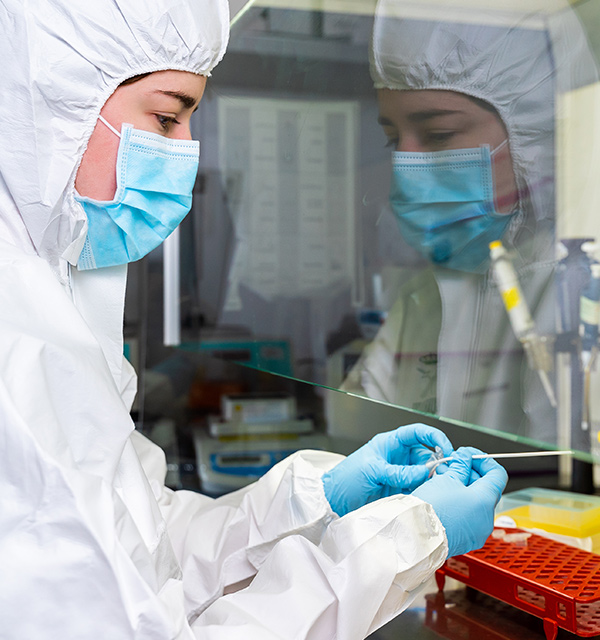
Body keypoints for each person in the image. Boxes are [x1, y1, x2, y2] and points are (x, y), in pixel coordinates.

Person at [0, 0, 506, 638]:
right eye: (165, 116)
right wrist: (402, 542)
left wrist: (321, 498)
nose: (186, 152)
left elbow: (146, 551)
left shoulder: (45, 308)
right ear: (50, 100)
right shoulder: (17, 350)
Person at [344, 1, 598, 448]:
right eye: (392, 138)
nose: (406, 167)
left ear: (535, 130)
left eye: (439, 134)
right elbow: (353, 439)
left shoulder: (583, 289)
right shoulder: (429, 296)